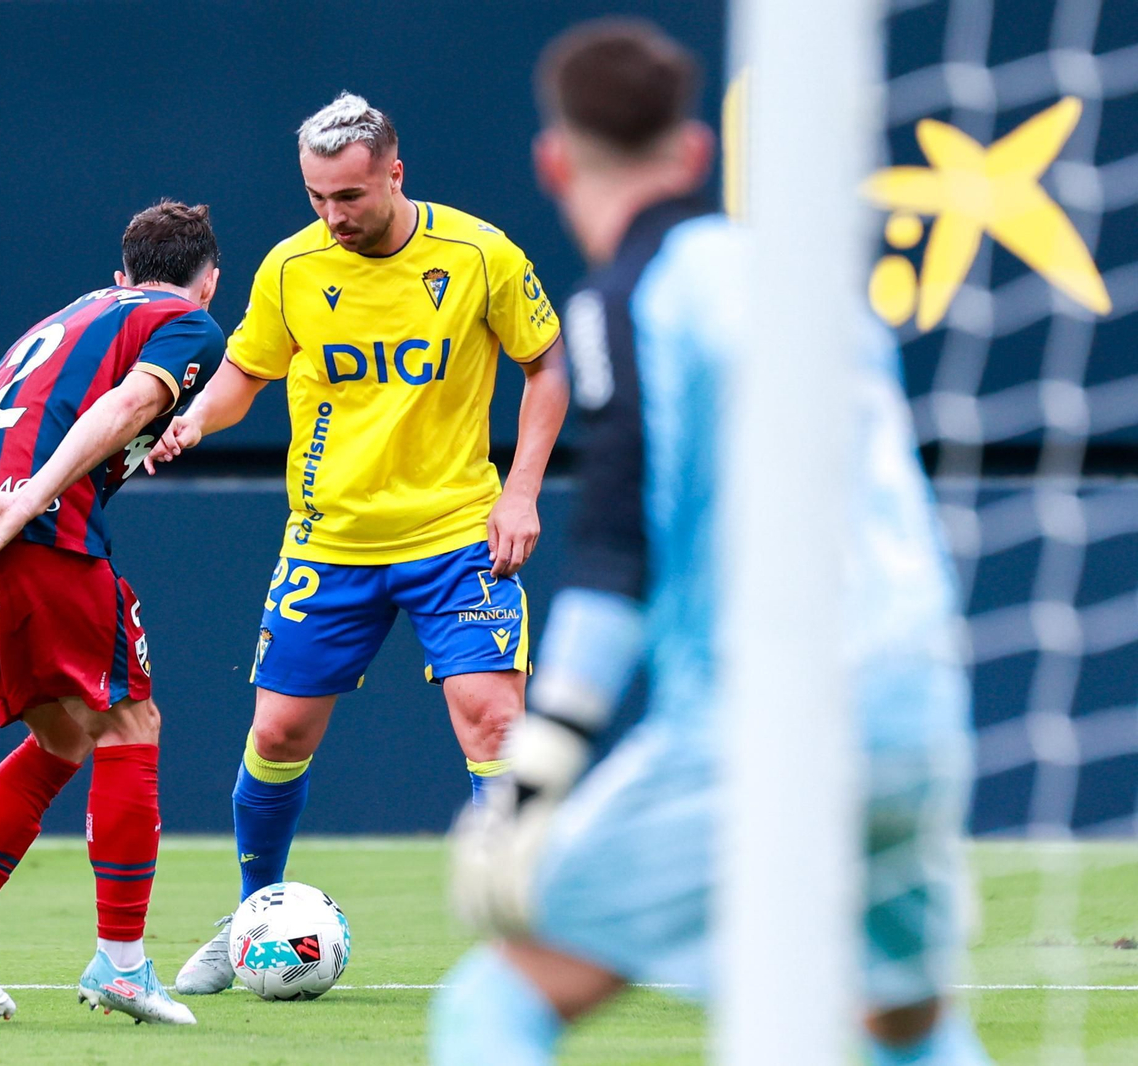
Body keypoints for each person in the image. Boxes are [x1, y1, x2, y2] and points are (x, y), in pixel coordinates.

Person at [431, 20, 991, 1066]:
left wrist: (536, 770)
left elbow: (610, 546)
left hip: (767, 721)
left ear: (553, 163)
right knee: (904, 1028)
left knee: (489, 1005)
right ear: (693, 153)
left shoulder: (628, 301)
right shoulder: (817, 285)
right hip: (918, 707)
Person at [144, 92, 570, 995]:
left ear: (394, 174)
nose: (332, 217)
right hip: (329, 539)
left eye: (350, 196)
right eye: (316, 198)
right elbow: (243, 375)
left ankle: (520, 933)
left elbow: (546, 365)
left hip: (458, 532)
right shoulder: (293, 268)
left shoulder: (478, 253)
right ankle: (255, 915)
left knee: (495, 720)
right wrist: (191, 424)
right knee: (278, 729)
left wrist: (523, 492)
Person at [0, 200, 225, 1026]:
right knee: (129, 722)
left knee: (64, 735)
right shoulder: (187, 321)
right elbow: (124, 410)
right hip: (29, 526)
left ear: (121, 277)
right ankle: (122, 965)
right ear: (209, 281)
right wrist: (32, 500)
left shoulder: (62, 323)